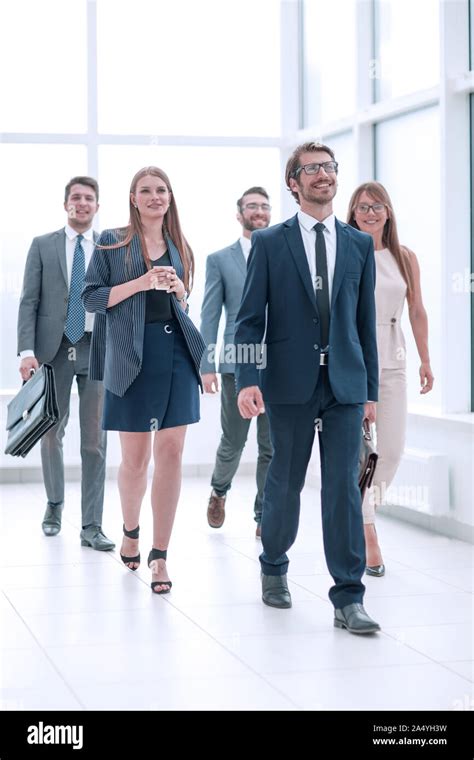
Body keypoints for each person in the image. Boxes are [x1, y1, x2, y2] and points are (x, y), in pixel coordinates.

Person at [235, 141, 381, 634]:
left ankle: (348, 597)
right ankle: (273, 565)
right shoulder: (271, 243)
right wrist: (247, 380)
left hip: (344, 384)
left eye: (329, 167)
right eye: (312, 168)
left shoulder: (358, 243)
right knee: (286, 483)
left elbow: (365, 326)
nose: (324, 174)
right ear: (293, 183)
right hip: (287, 383)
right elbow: (248, 321)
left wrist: (372, 392)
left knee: (342, 487)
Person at [82, 166, 205, 593]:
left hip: (177, 355)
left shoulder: (181, 245)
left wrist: (178, 292)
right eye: (146, 191)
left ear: (170, 198)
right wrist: (142, 281)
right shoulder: (111, 242)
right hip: (130, 357)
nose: (155, 196)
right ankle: (130, 530)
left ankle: (160, 555)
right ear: (133, 198)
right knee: (135, 460)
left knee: (171, 454)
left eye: (162, 190)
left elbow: (185, 304)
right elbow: (93, 298)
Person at [17, 177, 113, 551]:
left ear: (97, 205)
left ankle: (92, 526)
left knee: (95, 442)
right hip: (52, 351)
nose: (83, 203)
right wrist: (26, 351)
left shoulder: (111, 247)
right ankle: (55, 505)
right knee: (51, 432)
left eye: (89, 198)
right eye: (76, 197)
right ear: (65, 204)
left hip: (96, 349)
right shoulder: (43, 245)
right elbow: (28, 302)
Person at [347, 181, 434, 576]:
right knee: (358, 453)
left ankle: (363, 514)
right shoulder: (346, 253)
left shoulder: (404, 257)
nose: (370, 212)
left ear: (388, 212)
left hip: (394, 356)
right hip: (355, 355)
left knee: (392, 450)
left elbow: (417, 310)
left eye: (377, 205)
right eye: (363, 206)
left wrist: (425, 360)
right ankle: (367, 532)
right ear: (352, 212)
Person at [200, 187, 273, 537]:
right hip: (235, 362)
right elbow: (210, 315)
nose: (258, 211)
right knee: (234, 440)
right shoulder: (220, 260)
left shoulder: (281, 252)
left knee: (271, 445)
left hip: (277, 363)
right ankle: (219, 491)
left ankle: (264, 515)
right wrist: (206, 364)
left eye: (263, 206)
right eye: (251, 206)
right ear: (239, 213)